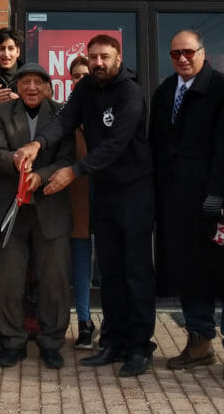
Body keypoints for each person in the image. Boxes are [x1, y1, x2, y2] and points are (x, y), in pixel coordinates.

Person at [15, 35, 156, 377]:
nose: (97, 63)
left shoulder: (130, 93)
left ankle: (139, 347)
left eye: (104, 57)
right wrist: (37, 143)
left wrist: (74, 171)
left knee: (135, 271)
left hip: (134, 191)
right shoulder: (86, 90)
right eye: (92, 57)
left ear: (118, 57)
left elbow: (117, 144)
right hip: (104, 191)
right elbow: (63, 120)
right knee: (109, 270)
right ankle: (113, 341)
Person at [150, 30, 224, 382]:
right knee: (190, 273)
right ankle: (199, 343)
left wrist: (218, 192)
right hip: (178, 203)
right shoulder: (165, 92)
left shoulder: (223, 89)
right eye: (176, 53)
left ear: (202, 52)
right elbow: (157, 147)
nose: (182, 58)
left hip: (219, 203)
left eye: (188, 52)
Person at [0, 63, 74, 369]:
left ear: (49, 88)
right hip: (10, 207)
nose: (32, 88)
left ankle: (51, 343)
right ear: (18, 87)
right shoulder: (1, 113)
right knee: (7, 280)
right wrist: (15, 159)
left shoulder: (63, 112)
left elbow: (67, 158)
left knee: (55, 280)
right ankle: (11, 342)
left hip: (50, 205)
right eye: (25, 82)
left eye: (38, 82)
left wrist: (41, 175)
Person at [67, 55, 96, 350]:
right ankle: (85, 322)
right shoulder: (66, 115)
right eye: (75, 75)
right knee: (79, 265)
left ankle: (113, 324)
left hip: (109, 200)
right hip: (77, 201)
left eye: (85, 75)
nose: (80, 80)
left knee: (109, 268)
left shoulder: (107, 111)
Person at [0, 27, 24, 104]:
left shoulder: (28, 77)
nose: (6, 54)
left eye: (11, 49)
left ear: (18, 51)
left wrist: (22, 102)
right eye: (1, 49)